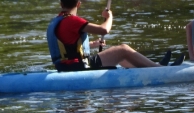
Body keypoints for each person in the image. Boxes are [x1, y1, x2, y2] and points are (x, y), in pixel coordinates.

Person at [47, 0, 184, 72]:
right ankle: (160, 69)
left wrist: (92, 45)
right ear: (78, 4)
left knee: (120, 56)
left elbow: (66, 47)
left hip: (64, 66)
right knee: (123, 49)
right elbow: (104, 30)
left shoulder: (56, 20)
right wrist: (109, 16)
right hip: (78, 67)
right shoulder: (72, 20)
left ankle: (153, 66)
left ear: (61, 4)